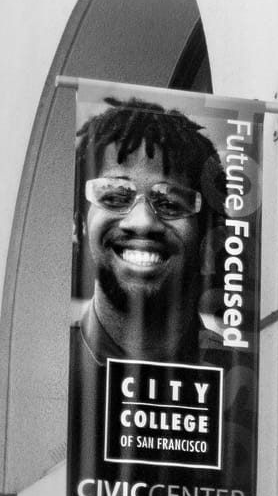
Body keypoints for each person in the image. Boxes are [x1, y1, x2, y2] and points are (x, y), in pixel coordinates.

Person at [72, 97, 214, 370]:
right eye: (114, 196)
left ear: (204, 238)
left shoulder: (238, 374)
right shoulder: (50, 362)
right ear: (79, 224)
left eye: (170, 203)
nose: (142, 222)